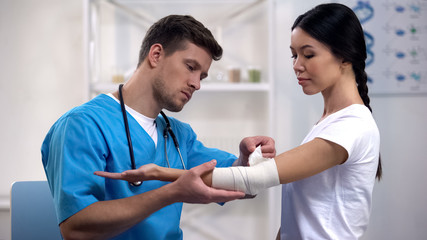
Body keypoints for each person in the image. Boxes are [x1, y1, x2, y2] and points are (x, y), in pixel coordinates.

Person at [96, 3, 382, 239]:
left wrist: (158, 173)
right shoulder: (327, 124)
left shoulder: (351, 125)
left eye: (308, 54)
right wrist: (248, 161)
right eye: (294, 55)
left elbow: (253, 181)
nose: (296, 65)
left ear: (344, 56)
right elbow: (302, 213)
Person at [41, 14, 275, 240]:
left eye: (202, 76)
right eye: (190, 67)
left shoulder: (178, 135)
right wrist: (172, 192)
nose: (196, 84)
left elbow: (245, 187)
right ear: (156, 55)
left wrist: (247, 162)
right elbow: (76, 229)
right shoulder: (83, 125)